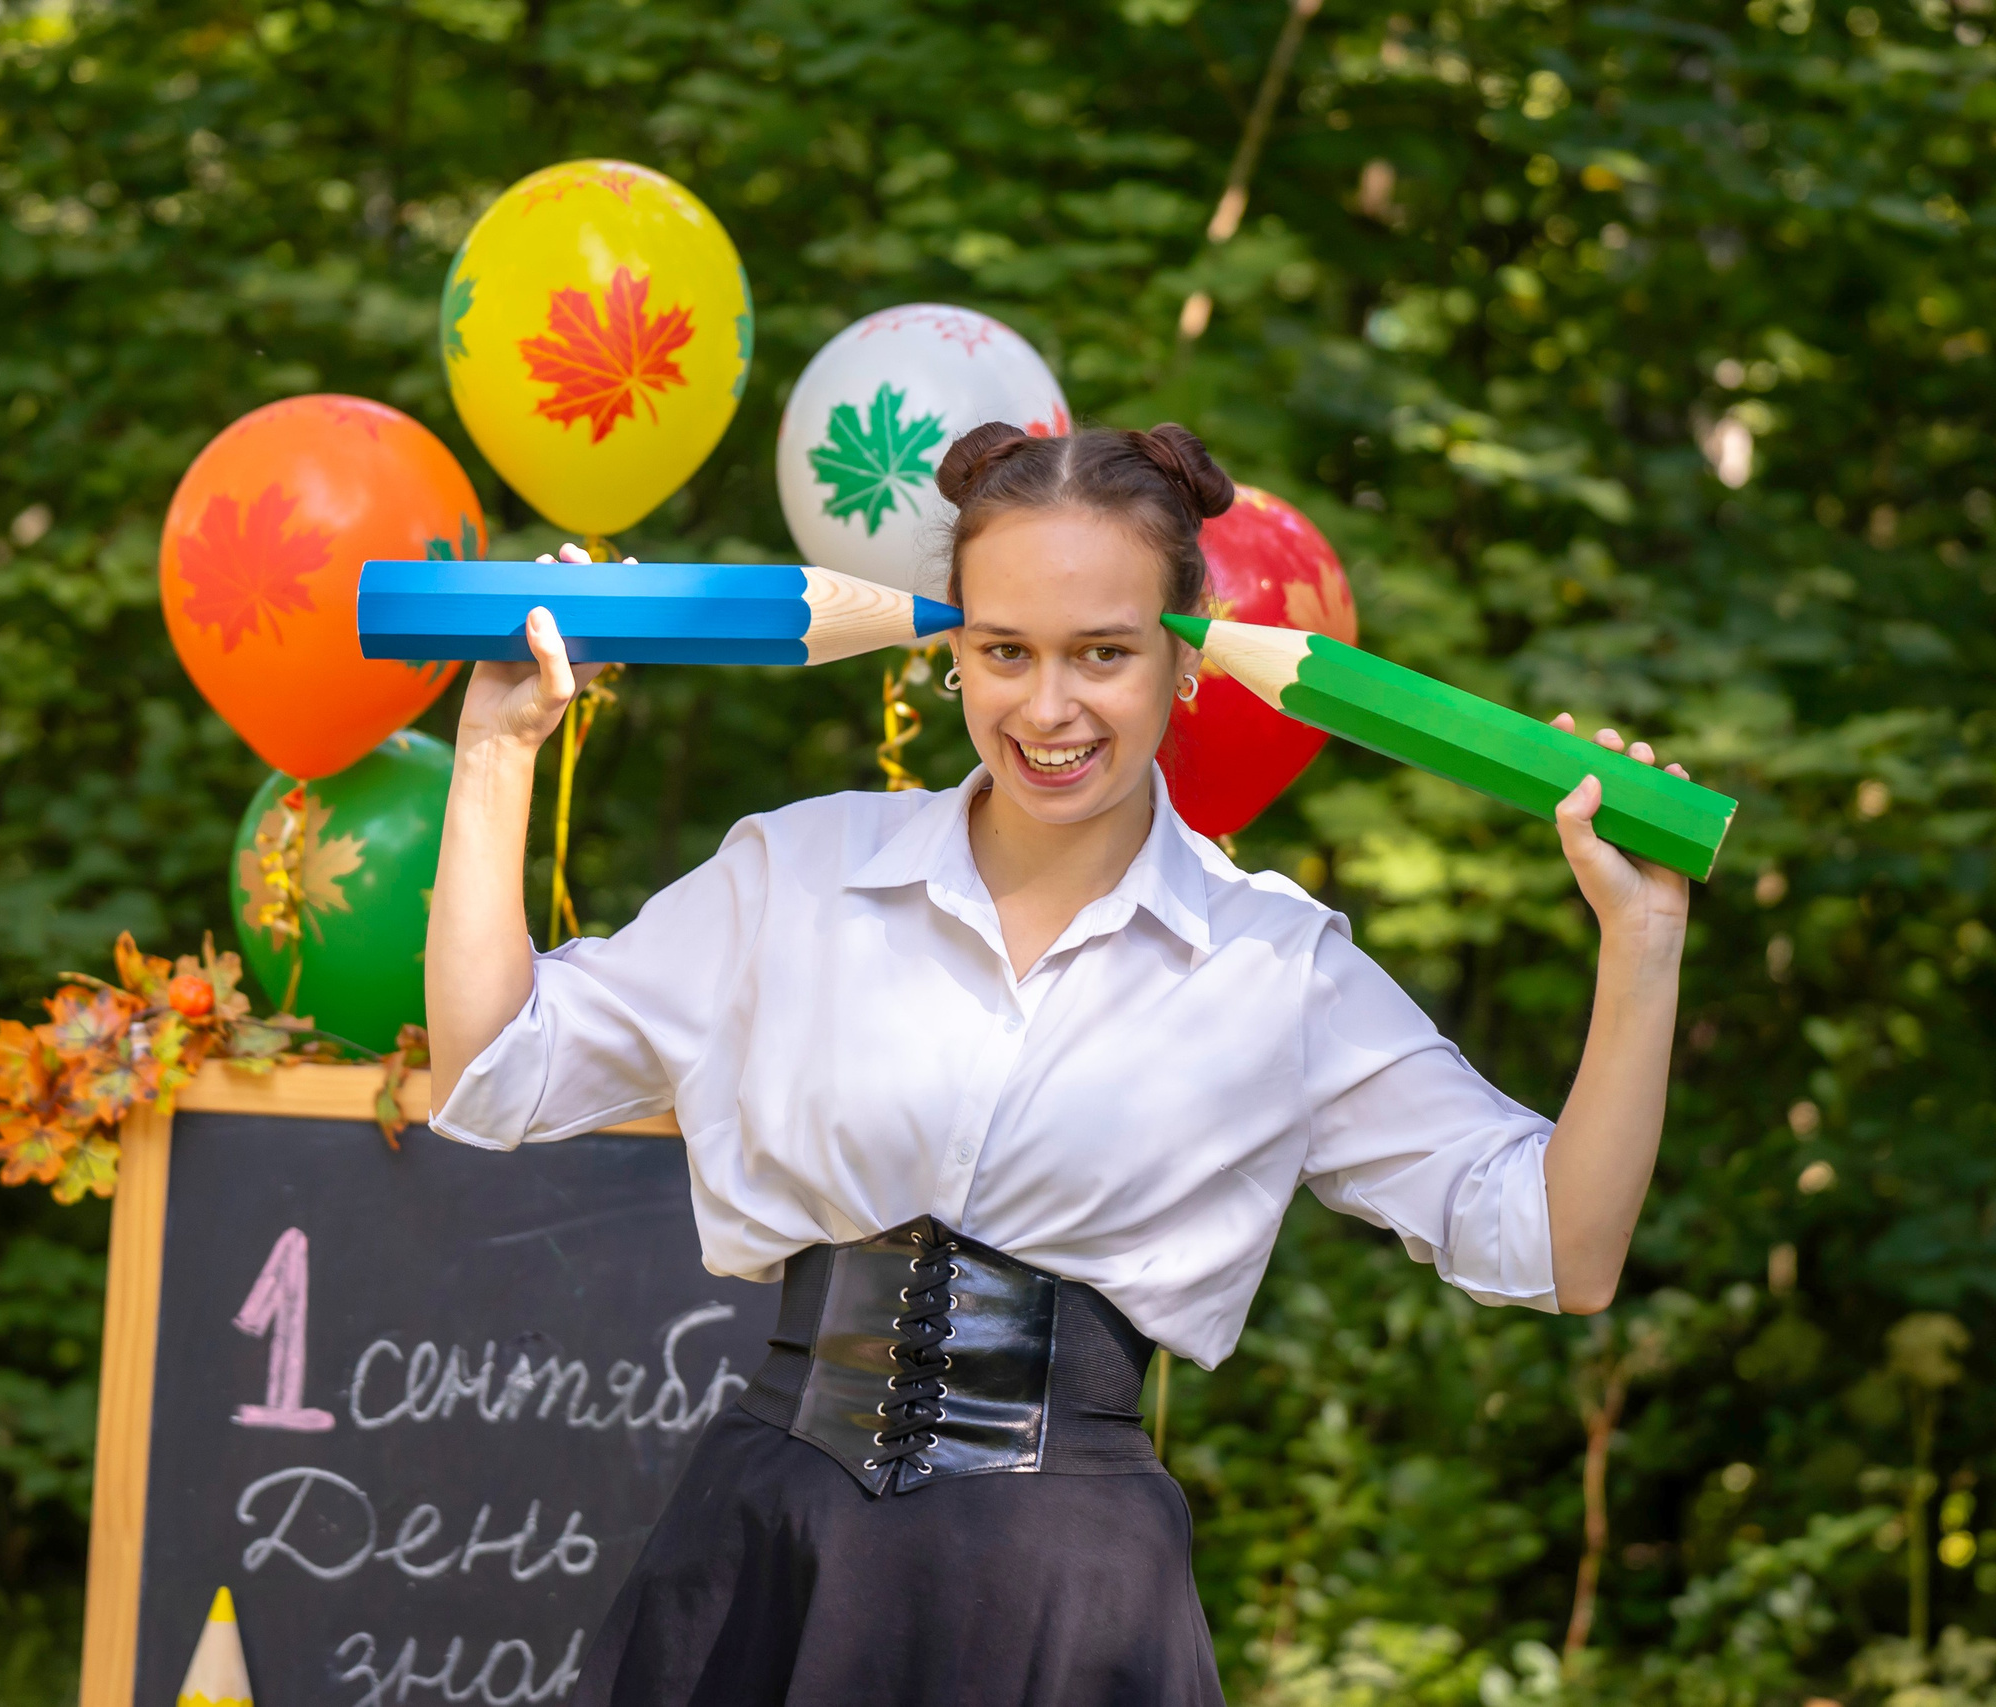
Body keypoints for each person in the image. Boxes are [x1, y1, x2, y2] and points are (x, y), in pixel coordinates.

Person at [424, 422, 1692, 1707]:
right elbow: (492, 1073)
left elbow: (1561, 1248)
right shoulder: (795, 872)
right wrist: (496, 750)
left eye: (1102, 653)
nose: (1046, 708)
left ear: (1184, 660)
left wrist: (1640, 946)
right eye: (1004, 651)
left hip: (1063, 1607)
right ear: (952, 651)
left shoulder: (1276, 964)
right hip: (768, 1567)